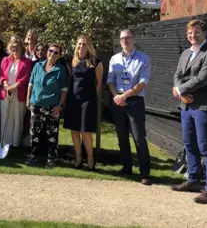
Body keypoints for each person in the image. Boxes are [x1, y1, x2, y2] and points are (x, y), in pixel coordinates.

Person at [171, 20, 207, 204]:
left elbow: (203, 78)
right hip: (186, 106)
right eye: (190, 33)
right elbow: (177, 75)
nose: (193, 36)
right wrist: (181, 93)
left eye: (196, 32)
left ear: (205, 33)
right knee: (189, 145)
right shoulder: (186, 53)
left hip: (204, 107)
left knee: (206, 147)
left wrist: (180, 90)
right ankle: (193, 180)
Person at [107, 29, 152, 186]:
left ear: (134, 39)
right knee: (121, 136)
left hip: (134, 101)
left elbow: (142, 83)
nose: (124, 41)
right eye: (121, 38)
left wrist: (124, 96)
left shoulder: (143, 59)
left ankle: (145, 173)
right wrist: (116, 97)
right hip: (118, 101)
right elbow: (110, 80)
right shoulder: (114, 59)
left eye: (127, 38)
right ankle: (127, 168)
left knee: (139, 137)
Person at [63, 35, 103, 170]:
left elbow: (99, 83)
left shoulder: (96, 62)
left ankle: (90, 158)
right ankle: (79, 158)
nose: (81, 47)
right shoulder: (71, 61)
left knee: (85, 131)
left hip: (88, 100)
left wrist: (92, 97)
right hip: (73, 99)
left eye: (84, 44)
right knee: (74, 130)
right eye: (79, 44)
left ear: (89, 46)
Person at [25, 44, 68, 168]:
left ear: (59, 56)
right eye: (50, 51)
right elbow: (31, 84)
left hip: (52, 106)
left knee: (52, 134)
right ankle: (33, 156)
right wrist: (28, 99)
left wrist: (60, 105)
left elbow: (64, 90)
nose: (52, 54)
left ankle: (51, 158)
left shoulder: (60, 70)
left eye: (56, 52)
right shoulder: (38, 66)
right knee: (34, 132)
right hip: (36, 104)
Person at [0, 38, 33, 148]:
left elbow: (26, 77)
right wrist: (5, 84)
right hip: (6, 92)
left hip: (19, 92)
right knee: (6, 117)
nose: (15, 49)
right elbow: (1, 74)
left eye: (17, 47)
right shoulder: (5, 60)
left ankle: (15, 142)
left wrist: (14, 87)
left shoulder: (27, 62)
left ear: (21, 48)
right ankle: (5, 141)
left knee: (17, 117)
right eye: (13, 47)